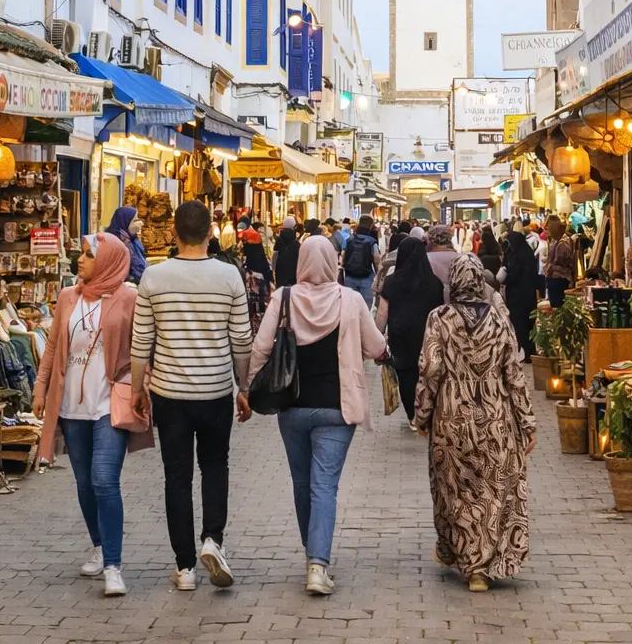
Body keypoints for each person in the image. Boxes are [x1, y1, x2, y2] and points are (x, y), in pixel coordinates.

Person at [247, 237, 388, 596]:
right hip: (337, 409)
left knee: (301, 484)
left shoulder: (284, 298)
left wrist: (247, 389)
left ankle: (312, 555)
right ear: (333, 262)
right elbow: (375, 348)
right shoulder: (351, 300)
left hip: (291, 408)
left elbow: (260, 348)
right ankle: (317, 566)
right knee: (324, 486)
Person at [130, 201, 253, 592]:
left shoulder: (153, 277)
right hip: (216, 391)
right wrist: (243, 386)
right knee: (216, 467)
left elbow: (141, 342)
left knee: (177, 477)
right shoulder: (229, 276)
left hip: (169, 393)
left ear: (174, 233)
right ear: (210, 232)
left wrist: (137, 390)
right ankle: (212, 541)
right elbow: (242, 342)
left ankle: (184, 567)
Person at [34, 233, 152, 597]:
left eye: (88, 255)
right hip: (71, 406)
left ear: (108, 261)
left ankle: (114, 566)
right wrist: (40, 388)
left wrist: (139, 384)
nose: (80, 260)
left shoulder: (129, 298)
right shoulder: (69, 296)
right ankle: (99, 546)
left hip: (108, 403)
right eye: (81, 254)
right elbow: (54, 345)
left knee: (104, 480)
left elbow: (145, 345)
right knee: (84, 483)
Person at [413, 253, 536, 592]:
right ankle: (483, 564)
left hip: (452, 416)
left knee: (454, 490)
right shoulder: (500, 321)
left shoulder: (439, 319)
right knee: (492, 488)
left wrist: (422, 413)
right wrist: (527, 422)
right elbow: (514, 374)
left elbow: (431, 369)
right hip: (496, 415)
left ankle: (466, 558)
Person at [376, 236, 442, 422]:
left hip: (400, 335)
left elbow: (382, 313)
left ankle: (412, 415)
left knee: (405, 374)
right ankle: (426, 412)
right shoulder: (434, 282)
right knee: (426, 373)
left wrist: (377, 336)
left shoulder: (391, 281)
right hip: (427, 335)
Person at [500, 230, 539, 361]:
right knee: (529, 324)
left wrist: (505, 279)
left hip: (517, 296)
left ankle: (527, 352)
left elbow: (513, 276)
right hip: (530, 295)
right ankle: (530, 351)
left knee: (519, 324)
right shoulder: (528, 254)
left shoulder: (515, 256)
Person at [339, 215, 379, 308]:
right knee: (365, 307)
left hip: (350, 276)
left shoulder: (349, 239)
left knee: (350, 306)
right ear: (371, 225)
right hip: (366, 277)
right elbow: (376, 261)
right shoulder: (372, 241)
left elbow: (343, 256)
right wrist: (377, 276)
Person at [106, 206, 148, 284]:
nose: (141, 223)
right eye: (135, 220)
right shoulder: (113, 243)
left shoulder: (133, 240)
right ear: (125, 222)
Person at [544, 216, 576, 309]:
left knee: (557, 306)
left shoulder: (562, 245)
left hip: (558, 281)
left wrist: (550, 267)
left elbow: (561, 263)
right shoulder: (557, 243)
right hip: (555, 280)